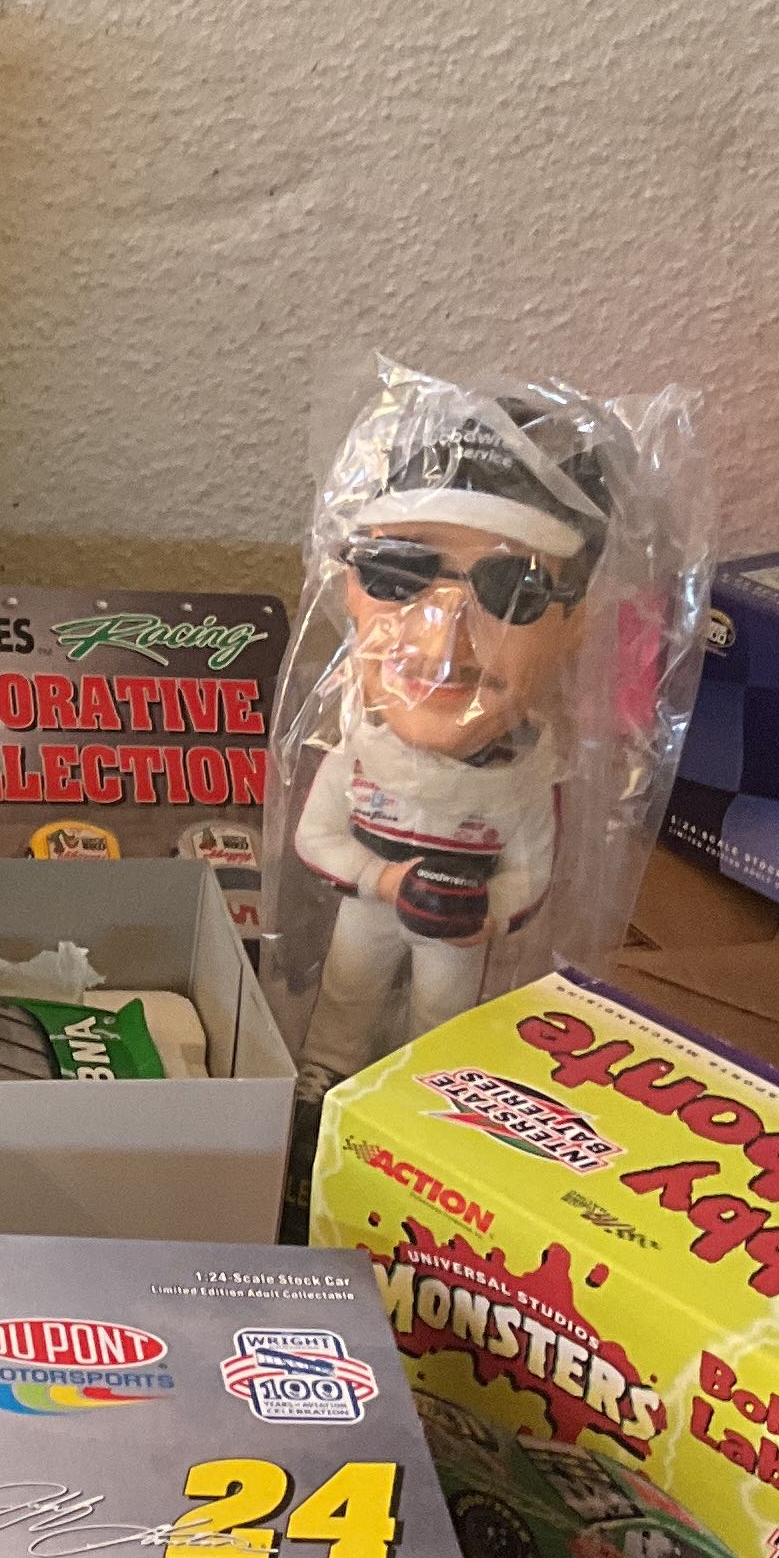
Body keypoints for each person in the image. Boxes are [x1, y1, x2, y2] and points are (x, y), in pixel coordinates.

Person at [296, 393, 608, 1082]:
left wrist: (487, 911)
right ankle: (324, 1078)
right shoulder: (356, 751)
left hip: (458, 929)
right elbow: (315, 838)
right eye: (397, 571)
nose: (442, 644)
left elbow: (529, 874)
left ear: (574, 621)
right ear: (350, 587)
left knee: (442, 1020)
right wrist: (383, 879)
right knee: (345, 998)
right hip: (373, 906)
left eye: (513, 589)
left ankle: (422, 1097)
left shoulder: (526, 776)